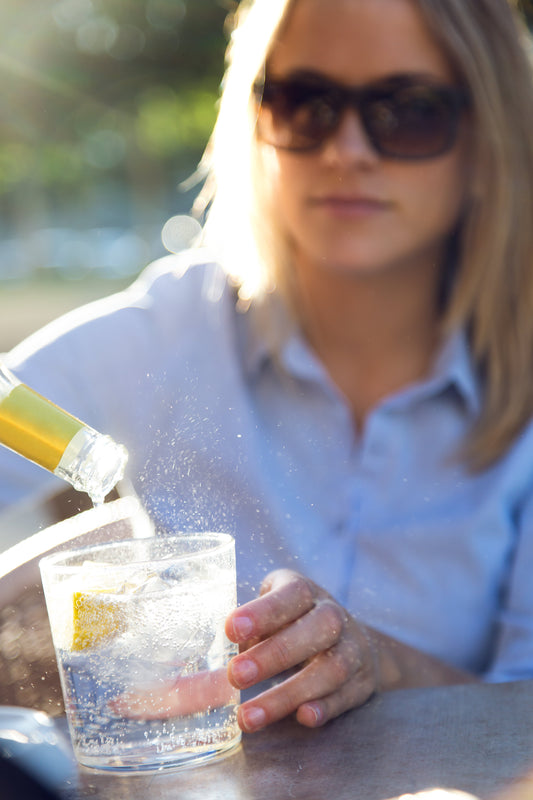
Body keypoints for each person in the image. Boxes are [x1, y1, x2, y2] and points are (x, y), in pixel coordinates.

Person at [2, 0, 533, 735]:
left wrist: (381, 664)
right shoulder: (170, 330)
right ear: (253, 122)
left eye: (406, 111)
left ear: (490, 138)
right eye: (304, 105)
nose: (346, 149)